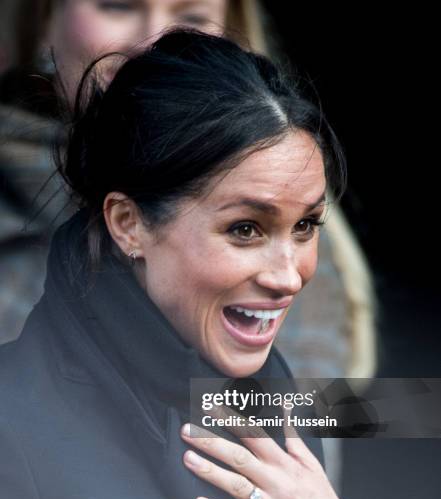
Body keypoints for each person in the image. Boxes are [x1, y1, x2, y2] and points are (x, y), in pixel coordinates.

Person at [0, 30, 405, 499]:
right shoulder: (14, 429)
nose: (289, 275)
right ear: (129, 224)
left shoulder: (273, 408)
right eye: (246, 229)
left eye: (305, 226)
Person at [0, 0, 376, 394]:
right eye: (118, 7)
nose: (155, 40)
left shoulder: (295, 213)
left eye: (191, 18)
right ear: (44, 19)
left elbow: (343, 414)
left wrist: (289, 442)